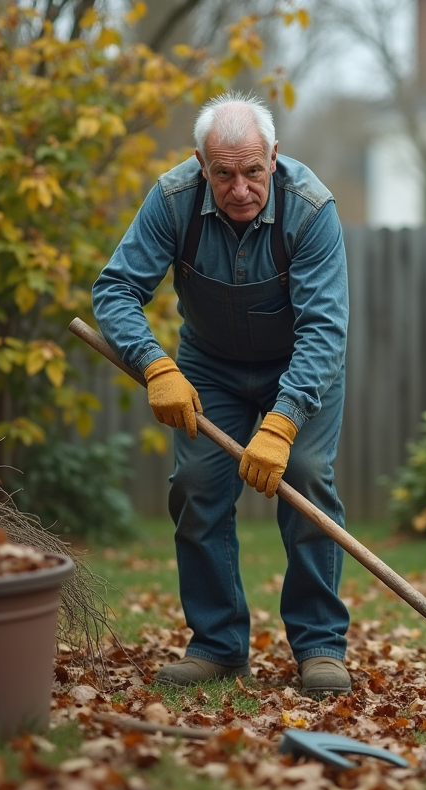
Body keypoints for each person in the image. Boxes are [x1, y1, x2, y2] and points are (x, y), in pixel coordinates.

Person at [92, 92, 352, 695]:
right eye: (224, 174)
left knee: (308, 476)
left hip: (300, 364)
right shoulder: (173, 199)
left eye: (253, 171)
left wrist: (284, 423)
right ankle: (219, 646)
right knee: (198, 488)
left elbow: (324, 330)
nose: (239, 188)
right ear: (201, 166)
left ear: (274, 157)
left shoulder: (311, 209)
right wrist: (155, 364)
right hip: (209, 366)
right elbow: (115, 290)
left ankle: (319, 646)